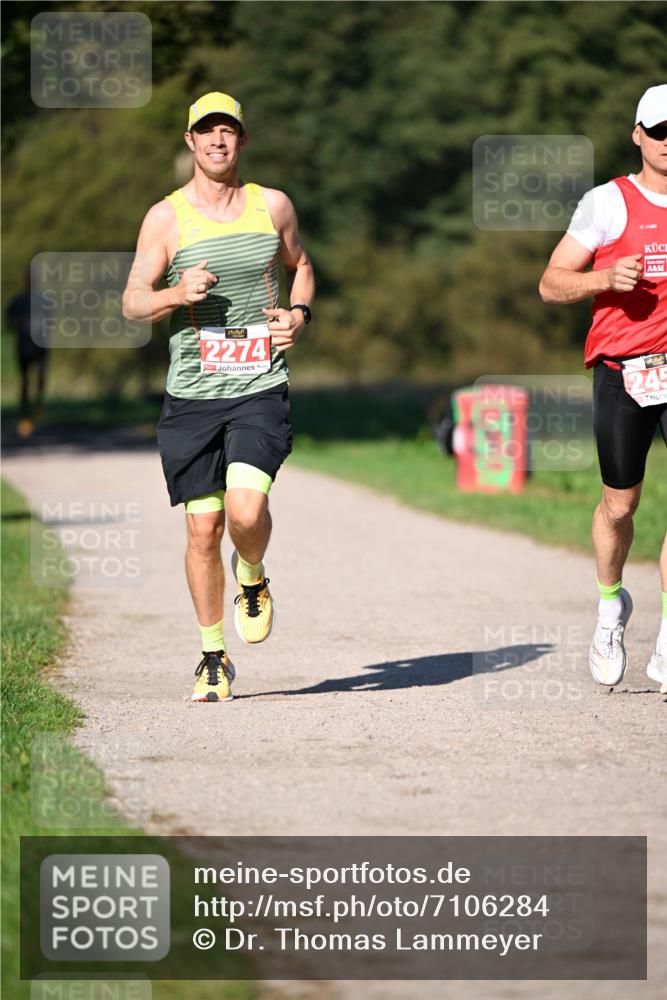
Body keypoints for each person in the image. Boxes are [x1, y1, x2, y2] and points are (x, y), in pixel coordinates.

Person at [122, 92, 314, 702]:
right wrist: (175, 294)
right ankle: (212, 655)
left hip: (259, 383)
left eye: (227, 130)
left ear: (242, 139)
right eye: (206, 131)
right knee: (203, 530)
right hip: (192, 395)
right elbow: (133, 302)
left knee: (246, 513)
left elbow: (302, 266)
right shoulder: (166, 218)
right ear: (190, 142)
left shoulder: (272, 205)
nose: (217, 141)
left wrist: (299, 315)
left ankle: (251, 576)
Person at [539, 84, 667, 693]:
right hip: (624, 370)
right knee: (620, 506)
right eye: (659, 132)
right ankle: (611, 606)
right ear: (638, 135)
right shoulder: (607, 203)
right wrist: (604, 279)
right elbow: (550, 283)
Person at [6, 267, 48, 438]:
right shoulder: (18, 301)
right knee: (24, 382)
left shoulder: (44, 300)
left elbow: (51, 323)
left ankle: (38, 407)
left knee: (41, 379)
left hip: (41, 346)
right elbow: (8, 324)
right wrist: (21, 322)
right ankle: (24, 417)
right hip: (23, 346)